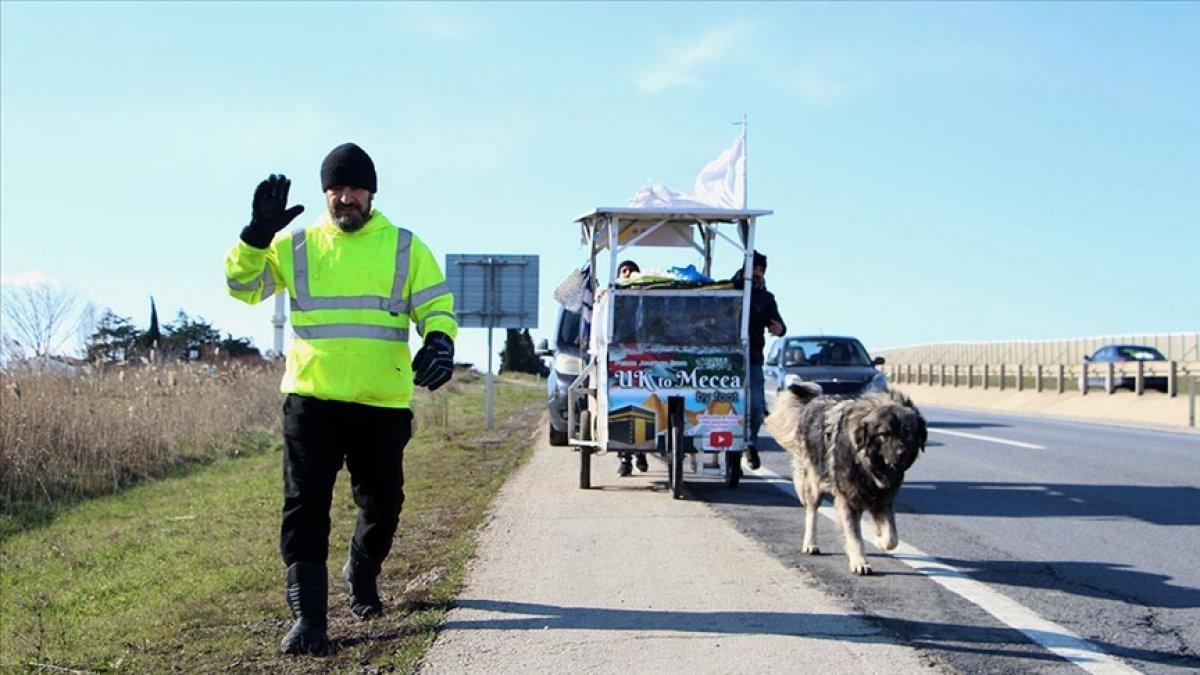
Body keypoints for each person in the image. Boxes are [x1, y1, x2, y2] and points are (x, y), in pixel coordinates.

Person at [224, 143, 457, 655]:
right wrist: (255, 236)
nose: (345, 197)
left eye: (355, 188)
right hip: (312, 401)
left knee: (384, 503)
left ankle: (361, 571)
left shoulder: (404, 246)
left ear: (371, 193)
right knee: (304, 508)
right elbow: (241, 287)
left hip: (381, 403)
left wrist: (440, 340)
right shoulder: (297, 245)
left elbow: (437, 305)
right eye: (336, 189)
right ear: (325, 193)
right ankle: (308, 621)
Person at [732, 250, 785, 472]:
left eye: (761, 270)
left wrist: (779, 329)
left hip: (753, 359)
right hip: (727, 362)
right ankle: (732, 454)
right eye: (754, 268)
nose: (757, 273)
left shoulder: (766, 298)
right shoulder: (730, 291)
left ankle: (750, 442)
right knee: (728, 410)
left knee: (756, 408)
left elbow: (779, 324)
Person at [615, 260, 649, 476]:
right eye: (624, 271)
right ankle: (625, 458)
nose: (627, 274)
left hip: (644, 359)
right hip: (619, 359)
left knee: (643, 405)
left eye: (632, 271)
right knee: (622, 408)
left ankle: (642, 451)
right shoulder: (613, 299)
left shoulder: (645, 300)